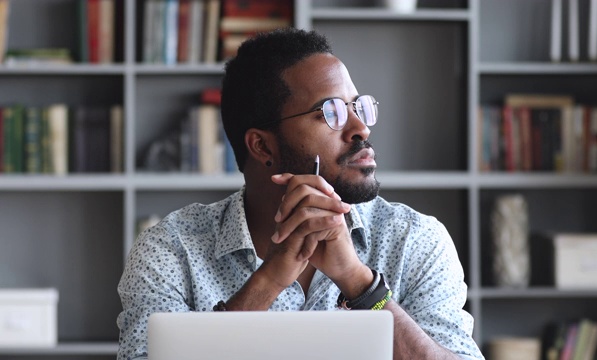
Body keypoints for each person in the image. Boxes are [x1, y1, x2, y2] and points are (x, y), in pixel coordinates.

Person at [117, 28, 484, 360]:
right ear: (262, 146)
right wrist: (269, 280)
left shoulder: (415, 240)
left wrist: (360, 284)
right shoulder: (171, 251)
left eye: (358, 107)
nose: (360, 128)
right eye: (332, 112)